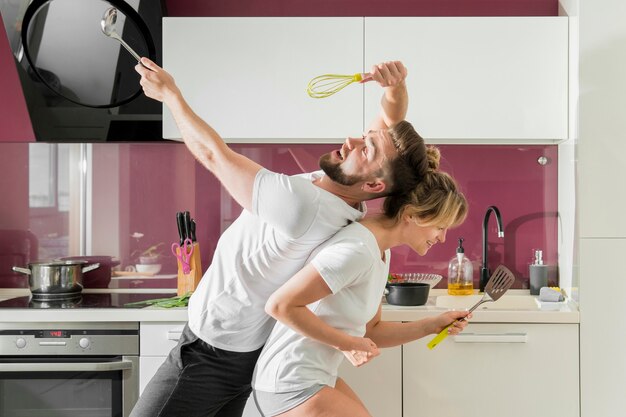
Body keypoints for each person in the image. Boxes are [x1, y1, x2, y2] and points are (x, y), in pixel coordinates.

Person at [131, 57, 429, 417]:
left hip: (209, 351)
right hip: (247, 351)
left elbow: (212, 154)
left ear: (373, 185)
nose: (352, 140)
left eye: (365, 148)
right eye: (364, 138)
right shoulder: (349, 202)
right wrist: (395, 90)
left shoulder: (300, 204)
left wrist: (171, 96)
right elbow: (387, 131)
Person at [252, 146, 470, 417]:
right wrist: (346, 343)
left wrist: (430, 325)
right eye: (440, 226)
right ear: (412, 214)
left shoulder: (380, 250)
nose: (442, 238)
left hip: (311, 377)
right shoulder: (357, 249)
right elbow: (281, 306)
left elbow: (371, 330)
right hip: (288, 382)